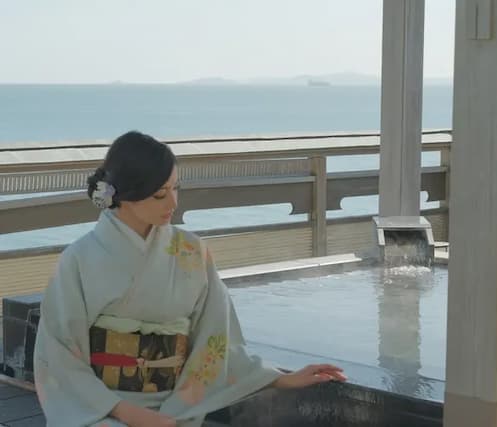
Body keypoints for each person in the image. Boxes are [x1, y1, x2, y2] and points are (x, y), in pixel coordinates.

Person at [33, 131, 346, 427]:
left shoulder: (192, 252)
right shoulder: (79, 259)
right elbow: (59, 355)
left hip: (175, 409)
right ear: (125, 195)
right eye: (160, 194)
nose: (173, 203)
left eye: (175, 188)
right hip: (101, 410)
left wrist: (280, 378)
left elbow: (216, 340)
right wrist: (130, 414)